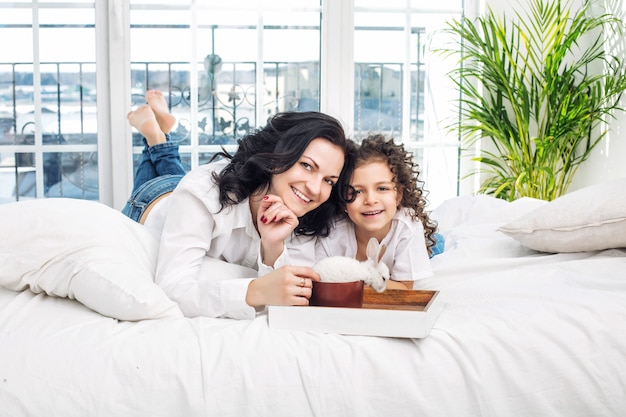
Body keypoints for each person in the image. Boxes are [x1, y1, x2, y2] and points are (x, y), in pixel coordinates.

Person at [123, 90, 355, 319]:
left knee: (174, 169)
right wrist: (254, 291)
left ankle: (158, 133)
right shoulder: (202, 193)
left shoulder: (307, 213)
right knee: (166, 172)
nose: (315, 189)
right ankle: (154, 137)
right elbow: (171, 289)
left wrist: (273, 248)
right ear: (278, 157)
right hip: (153, 200)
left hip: (190, 187)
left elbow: (290, 297)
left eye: (328, 181)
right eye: (307, 166)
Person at [313, 133, 441, 290]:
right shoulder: (332, 233)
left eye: (382, 188)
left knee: (437, 245)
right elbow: (319, 280)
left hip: (425, 241)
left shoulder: (407, 226)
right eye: (357, 191)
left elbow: (404, 289)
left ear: (398, 195)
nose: (371, 200)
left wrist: (358, 283)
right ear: (343, 202)